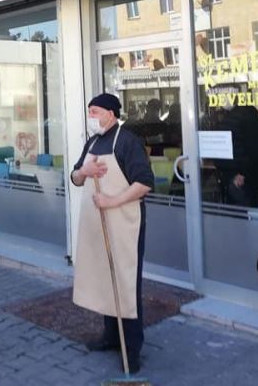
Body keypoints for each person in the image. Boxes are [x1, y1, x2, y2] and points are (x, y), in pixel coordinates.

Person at [71, 93, 154, 374]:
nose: (90, 117)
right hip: (98, 224)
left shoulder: (128, 141)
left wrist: (111, 201)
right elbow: (75, 178)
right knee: (105, 279)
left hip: (124, 223)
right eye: (89, 112)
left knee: (125, 283)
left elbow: (144, 183)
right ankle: (111, 336)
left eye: (94, 111)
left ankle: (132, 348)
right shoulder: (93, 142)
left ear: (110, 113)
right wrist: (84, 170)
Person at [216, 104, 258, 207]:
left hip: (240, 177)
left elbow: (253, 148)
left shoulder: (246, 114)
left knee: (242, 209)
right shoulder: (233, 114)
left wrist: (243, 173)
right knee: (241, 209)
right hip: (235, 174)